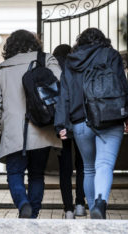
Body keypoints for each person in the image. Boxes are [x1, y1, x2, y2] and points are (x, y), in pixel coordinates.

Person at [55, 28, 128, 219]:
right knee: (104, 164)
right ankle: (100, 202)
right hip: (109, 117)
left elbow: (63, 95)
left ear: (79, 41)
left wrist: (61, 124)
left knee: (89, 167)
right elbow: (122, 84)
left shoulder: (71, 61)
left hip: (80, 121)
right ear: (102, 40)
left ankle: (94, 214)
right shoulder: (111, 55)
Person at [0, 30, 62, 219]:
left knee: (15, 173)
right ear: (34, 43)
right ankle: (33, 214)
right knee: (37, 174)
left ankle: (23, 205)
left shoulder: (1, 69)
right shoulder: (46, 60)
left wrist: (1, 127)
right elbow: (61, 88)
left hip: (13, 131)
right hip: (42, 128)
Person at [52, 44, 86, 219]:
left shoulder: (53, 68)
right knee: (82, 165)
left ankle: (68, 209)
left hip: (62, 122)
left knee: (64, 169)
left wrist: (58, 125)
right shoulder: (80, 67)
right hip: (80, 121)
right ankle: (80, 203)